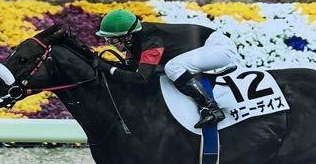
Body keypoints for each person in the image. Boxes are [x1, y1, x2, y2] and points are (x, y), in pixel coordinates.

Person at [95, 8, 238, 129]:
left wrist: (107, 68)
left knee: (173, 67)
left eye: (113, 39)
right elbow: (131, 71)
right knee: (163, 69)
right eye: (107, 39)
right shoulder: (136, 42)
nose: (110, 43)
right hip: (207, 47)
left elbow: (141, 78)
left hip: (219, 48)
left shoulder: (151, 40)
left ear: (128, 37)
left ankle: (211, 109)